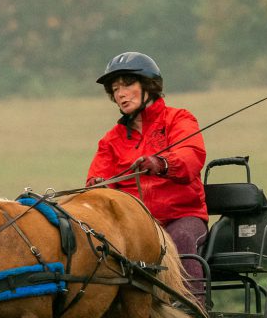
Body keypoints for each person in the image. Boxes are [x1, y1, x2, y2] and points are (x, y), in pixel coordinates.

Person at [85, 51, 208, 299]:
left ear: (149, 86)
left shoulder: (179, 119)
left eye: (128, 84)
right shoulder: (110, 141)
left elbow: (191, 156)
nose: (120, 93)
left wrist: (161, 163)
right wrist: (98, 187)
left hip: (181, 217)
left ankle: (194, 312)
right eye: (115, 88)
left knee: (181, 240)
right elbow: (94, 180)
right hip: (135, 226)